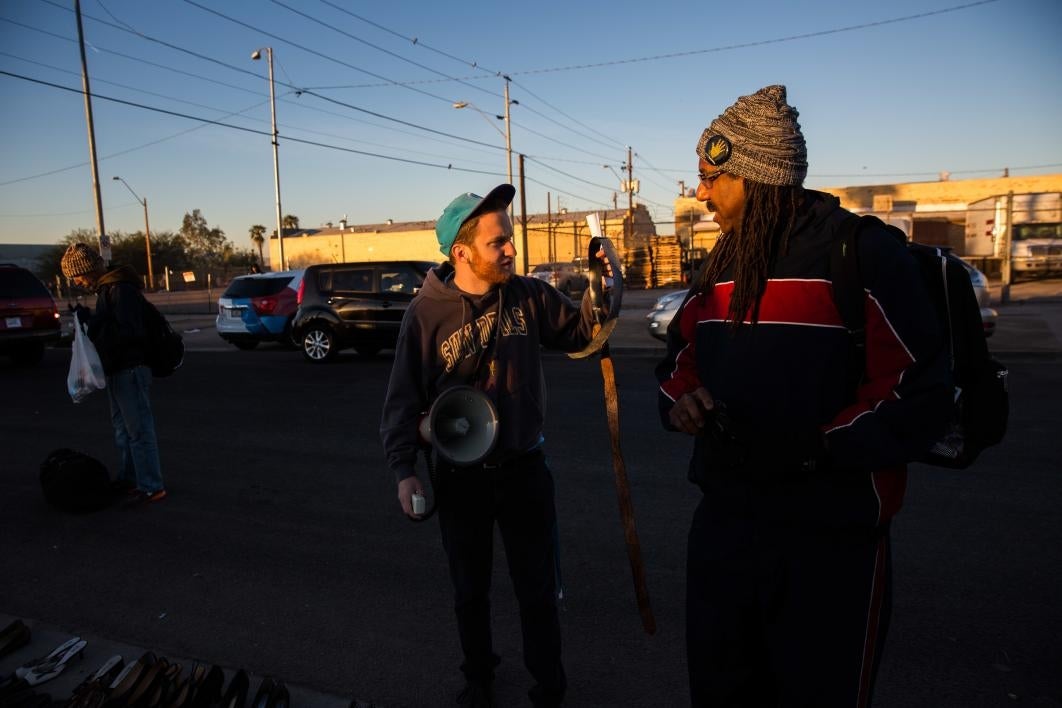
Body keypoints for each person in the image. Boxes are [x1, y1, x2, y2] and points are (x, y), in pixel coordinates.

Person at [656, 86, 952, 707]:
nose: (701, 191)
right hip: (726, 530)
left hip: (830, 541)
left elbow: (917, 392)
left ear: (758, 176)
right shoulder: (721, 263)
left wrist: (812, 448)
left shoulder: (860, 253)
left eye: (712, 176)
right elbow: (679, 358)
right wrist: (680, 400)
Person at [380, 184, 610, 708]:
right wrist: (405, 471)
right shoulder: (424, 316)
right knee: (470, 589)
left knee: (537, 590)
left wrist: (600, 282)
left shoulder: (527, 294)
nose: (511, 250)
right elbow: (400, 401)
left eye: (510, 239)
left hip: (525, 467)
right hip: (460, 477)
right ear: (460, 252)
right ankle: (479, 677)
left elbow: (581, 333)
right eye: (498, 242)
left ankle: (549, 686)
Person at [61, 243, 166, 505]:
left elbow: (128, 332)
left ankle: (152, 486)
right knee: (124, 430)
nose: (79, 283)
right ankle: (130, 478)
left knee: (138, 430)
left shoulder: (121, 290)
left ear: (91, 269)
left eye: (79, 277)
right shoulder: (108, 289)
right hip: (118, 369)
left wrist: (91, 322)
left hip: (130, 368)